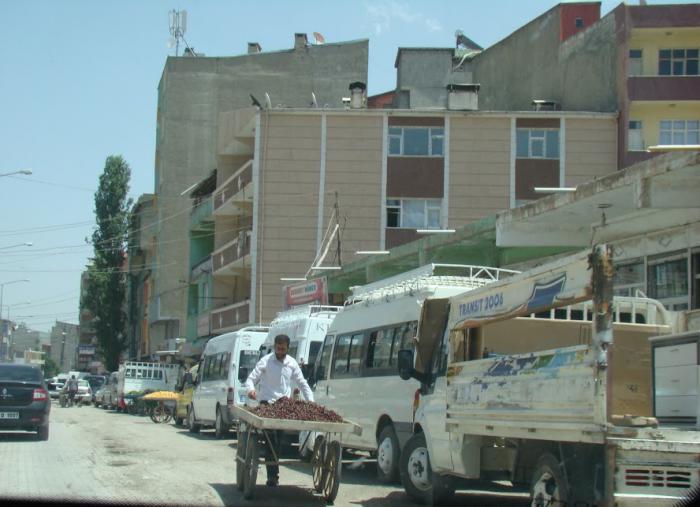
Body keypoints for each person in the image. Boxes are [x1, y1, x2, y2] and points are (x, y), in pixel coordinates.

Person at [244, 334, 314, 487]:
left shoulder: (292, 363)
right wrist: (250, 390)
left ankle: (273, 470)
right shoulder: (266, 361)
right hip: (267, 404)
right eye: (278, 348)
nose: (280, 351)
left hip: (283, 406)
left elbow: (302, 383)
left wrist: (311, 402)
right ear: (274, 347)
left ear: (288, 348)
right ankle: (272, 476)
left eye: (283, 349)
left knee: (278, 440)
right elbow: (251, 379)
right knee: (270, 439)